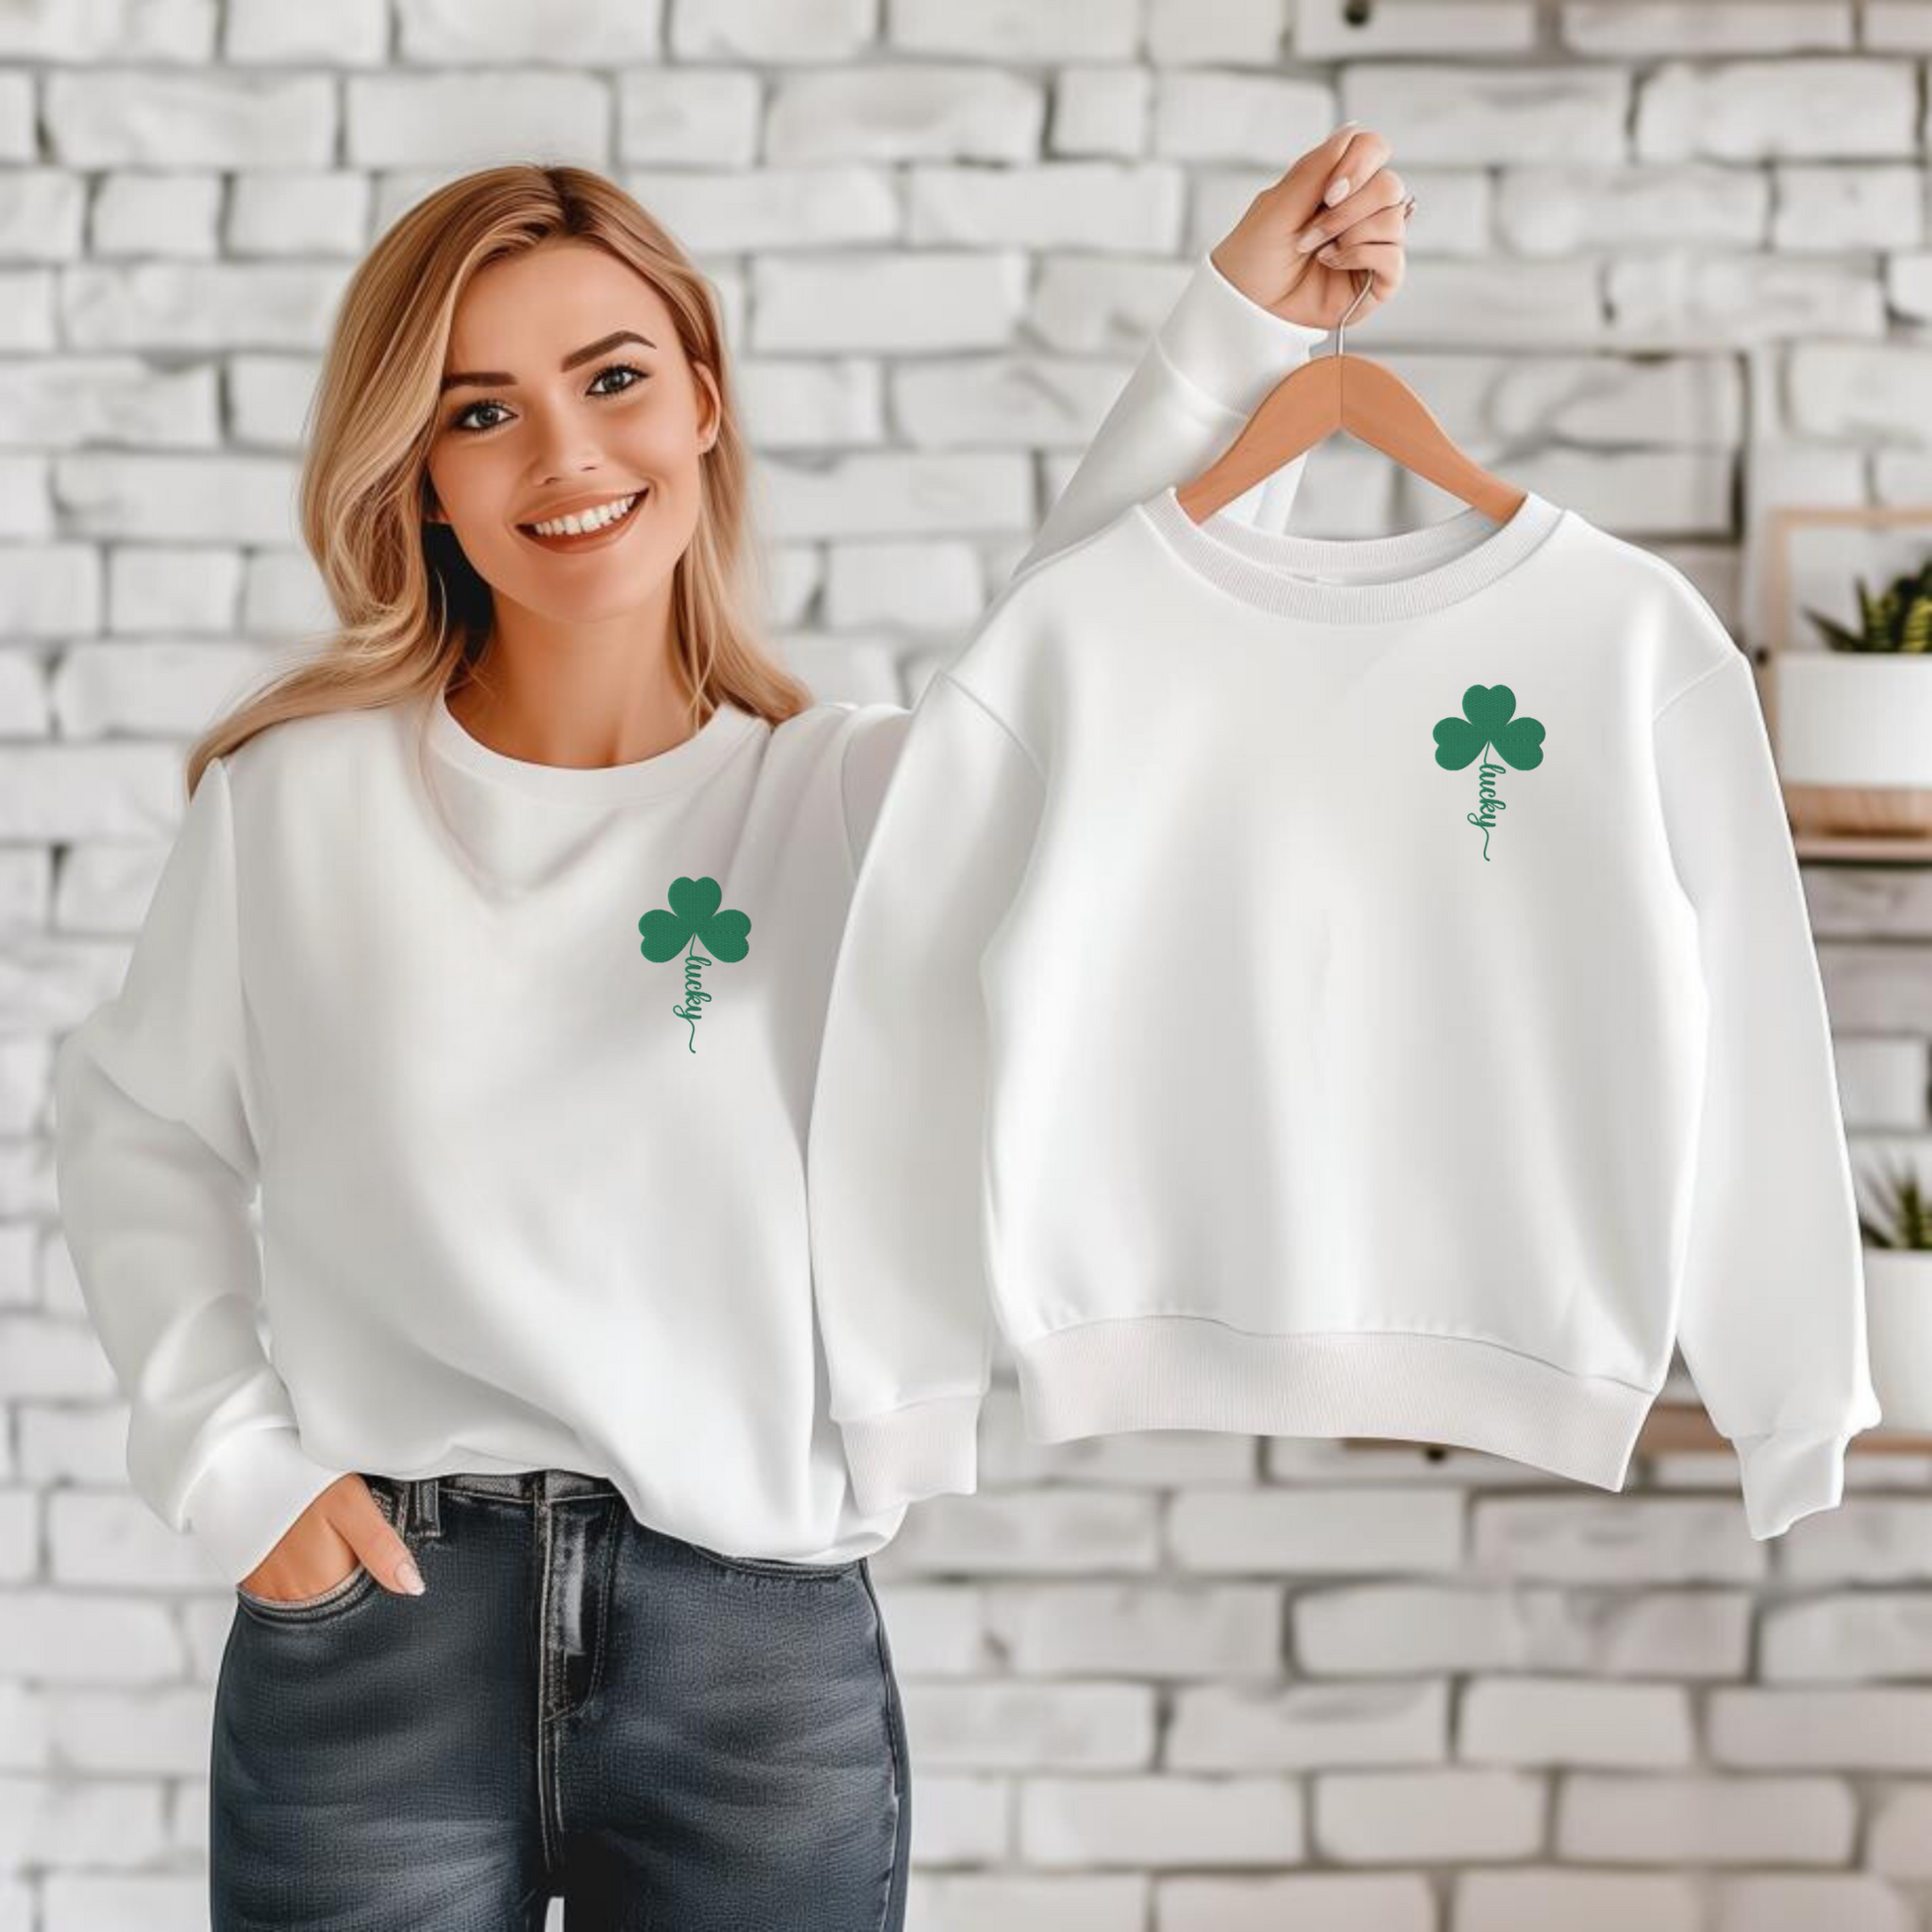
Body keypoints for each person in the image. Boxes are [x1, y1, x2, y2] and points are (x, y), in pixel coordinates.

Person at [51, 127, 1411, 1930]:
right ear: (421, 478)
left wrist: (1241, 329)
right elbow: (134, 1125)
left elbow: (1095, 654)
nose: (563, 454)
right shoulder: (299, 809)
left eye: (610, 377)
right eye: (478, 412)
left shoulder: (848, 807)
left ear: (700, 396)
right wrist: (239, 1473)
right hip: (378, 1639)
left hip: (748, 1648)